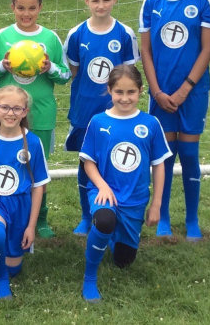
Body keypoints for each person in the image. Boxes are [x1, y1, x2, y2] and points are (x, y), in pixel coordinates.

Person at [139, 0, 210, 240]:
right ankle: (163, 216)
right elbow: (145, 51)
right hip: (161, 93)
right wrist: (157, 91)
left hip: (193, 92)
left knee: (188, 153)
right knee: (164, 156)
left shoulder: (203, 0)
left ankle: (192, 219)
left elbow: (207, 49)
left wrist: (186, 88)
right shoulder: (150, 3)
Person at [0, 0, 70, 238]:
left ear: (40, 8)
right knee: (4, 165)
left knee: (36, 170)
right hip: (8, 118)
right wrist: (2, 67)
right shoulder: (1, 37)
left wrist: (50, 67)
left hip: (40, 115)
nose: (26, 13)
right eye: (21, 8)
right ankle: (4, 213)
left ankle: (40, 220)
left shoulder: (50, 38)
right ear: (13, 7)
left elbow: (65, 76)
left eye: (32, 8)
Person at [79, 64, 170, 302]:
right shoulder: (98, 122)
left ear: (140, 91)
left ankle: (111, 236)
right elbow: (88, 162)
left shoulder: (150, 124)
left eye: (131, 92)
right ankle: (90, 278)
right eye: (119, 92)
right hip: (103, 192)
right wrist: (103, 186)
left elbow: (159, 165)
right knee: (105, 220)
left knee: (124, 261)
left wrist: (157, 205)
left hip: (135, 199)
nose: (125, 98)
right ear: (109, 90)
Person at [64, 0, 140, 236]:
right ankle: (87, 217)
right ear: (86, 1)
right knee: (86, 162)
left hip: (118, 113)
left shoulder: (124, 33)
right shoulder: (77, 34)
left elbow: (129, 75)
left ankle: (115, 210)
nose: (101, 5)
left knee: (116, 160)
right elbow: (75, 71)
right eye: (95, 0)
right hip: (85, 112)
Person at [0, 85, 50, 299]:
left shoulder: (32, 142)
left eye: (16, 109)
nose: (10, 113)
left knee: (15, 269)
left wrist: (31, 226)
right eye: (5, 107)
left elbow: (39, 186)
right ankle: (1, 281)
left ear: (24, 112)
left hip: (20, 207)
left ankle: (8, 268)